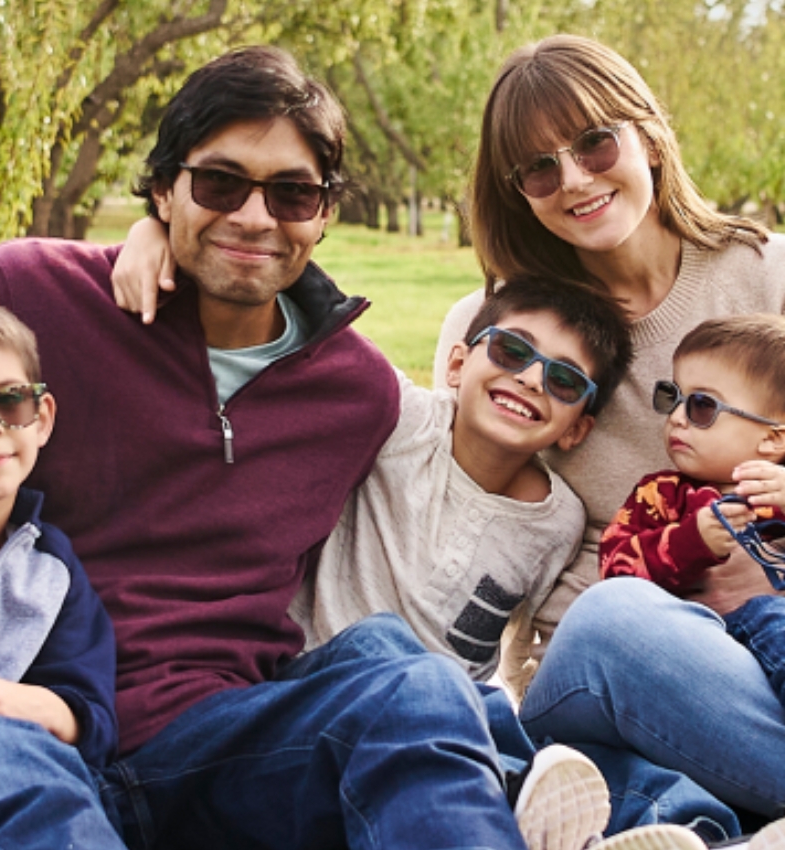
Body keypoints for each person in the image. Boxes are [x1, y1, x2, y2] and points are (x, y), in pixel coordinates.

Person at [0, 44, 662, 850]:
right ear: (163, 186)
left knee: (411, 685)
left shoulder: (356, 392)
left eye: (291, 194)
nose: (254, 217)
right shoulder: (25, 293)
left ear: (323, 215)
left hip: (219, 741)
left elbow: (480, 455)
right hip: (9, 717)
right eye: (219, 184)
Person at [431, 32, 785, 833]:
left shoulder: (768, 275)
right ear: (516, 191)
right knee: (616, 617)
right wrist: (157, 228)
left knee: (656, 805)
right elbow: (446, 517)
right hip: (608, 665)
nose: (575, 180)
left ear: (648, 136)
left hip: (768, 653)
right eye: (539, 168)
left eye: (595, 143)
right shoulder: (503, 332)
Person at [292, 272, 632, 696]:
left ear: (576, 430)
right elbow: (318, 325)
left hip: (450, 711)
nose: (530, 379)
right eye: (511, 351)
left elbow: (521, 643)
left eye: (564, 380)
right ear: (457, 365)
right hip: (324, 678)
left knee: (481, 704)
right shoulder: (404, 421)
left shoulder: (558, 523)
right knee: (398, 655)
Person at [0, 296, 121, 842]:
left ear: (40, 419)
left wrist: (36, 706)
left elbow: (94, 718)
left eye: (9, 403)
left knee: (10, 754)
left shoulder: (52, 569)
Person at [601, 315, 785, 708]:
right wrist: (689, 542)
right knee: (768, 617)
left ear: (771, 439)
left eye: (702, 406)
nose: (677, 417)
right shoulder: (663, 495)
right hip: (699, 648)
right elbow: (614, 574)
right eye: (673, 397)